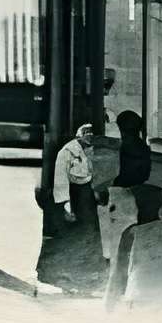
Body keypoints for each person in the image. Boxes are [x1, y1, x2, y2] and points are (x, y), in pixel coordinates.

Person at [104, 183, 162, 320]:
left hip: (140, 304)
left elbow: (119, 274)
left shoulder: (131, 234)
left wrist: (110, 305)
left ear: (138, 206)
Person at [36, 122, 103, 296]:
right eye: (86, 133)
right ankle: (60, 277)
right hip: (71, 198)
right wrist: (66, 205)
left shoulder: (90, 151)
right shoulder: (67, 152)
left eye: (92, 133)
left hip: (86, 199)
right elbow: (61, 181)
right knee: (69, 237)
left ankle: (86, 278)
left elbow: (92, 175)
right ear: (79, 134)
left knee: (89, 235)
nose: (89, 136)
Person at [98, 110, 151, 268]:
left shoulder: (122, 148)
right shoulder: (143, 147)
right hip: (137, 192)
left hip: (121, 193)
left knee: (116, 231)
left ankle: (113, 261)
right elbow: (145, 173)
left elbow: (116, 174)